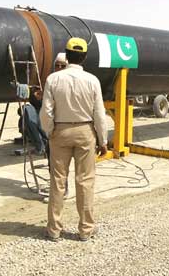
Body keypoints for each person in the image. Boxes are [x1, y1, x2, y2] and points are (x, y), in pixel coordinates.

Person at [40, 37, 108, 242]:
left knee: (58, 181)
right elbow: (99, 114)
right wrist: (103, 140)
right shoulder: (92, 80)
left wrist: (50, 131)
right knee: (85, 181)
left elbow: (46, 111)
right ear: (84, 57)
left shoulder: (54, 79)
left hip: (60, 132)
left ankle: (54, 229)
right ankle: (86, 229)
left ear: (67, 56)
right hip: (85, 132)